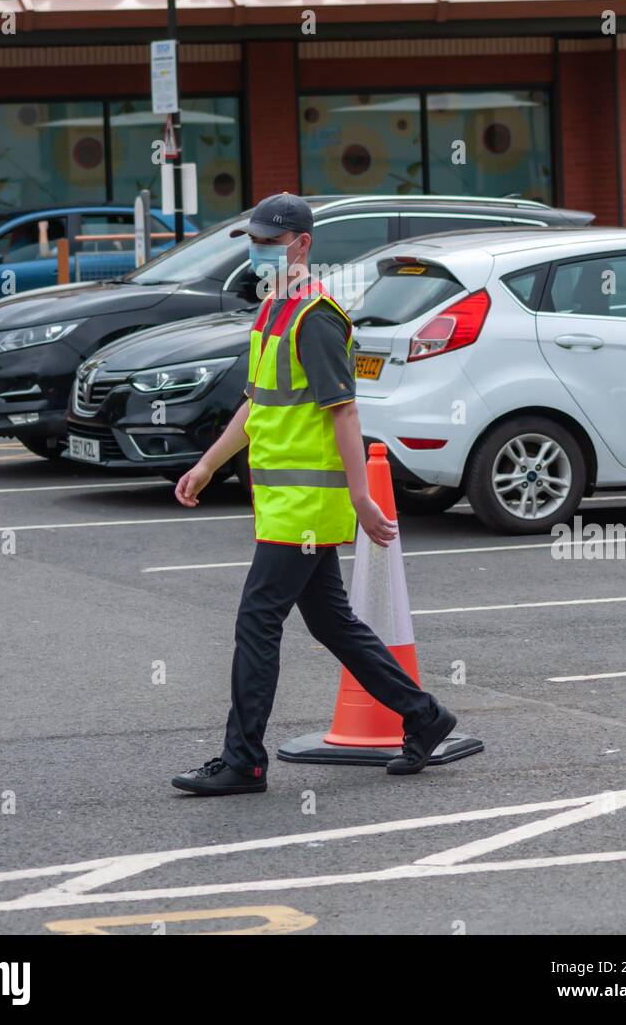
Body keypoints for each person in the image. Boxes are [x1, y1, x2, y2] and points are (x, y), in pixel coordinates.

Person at [171, 192, 456, 796]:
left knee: (257, 621)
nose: (257, 252)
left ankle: (243, 760)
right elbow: (256, 405)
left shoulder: (317, 317)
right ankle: (425, 717)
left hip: (308, 505)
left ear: (301, 245)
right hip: (282, 502)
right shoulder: (273, 309)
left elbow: (344, 411)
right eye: (253, 242)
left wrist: (360, 497)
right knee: (331, 622)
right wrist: (205, 466)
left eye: (269, 243)